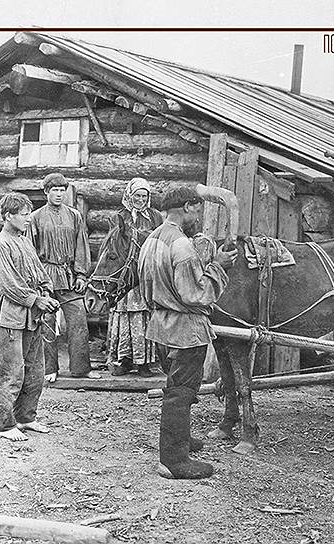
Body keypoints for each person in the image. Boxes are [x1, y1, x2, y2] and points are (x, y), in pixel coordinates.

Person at [138, 185, 237, 480]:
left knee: (175, 386)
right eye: (198, 209)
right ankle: (173, 460)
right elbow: (196, 293)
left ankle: (182, 439)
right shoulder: (182, 245)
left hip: (161, 325)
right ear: (189, 207)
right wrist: (218, 267)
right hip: (186, 329)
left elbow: (148, 286)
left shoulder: (153, 239)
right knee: (181, 392)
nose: (199, 216)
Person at [0, 192, 60, 442]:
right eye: (23, 214)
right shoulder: (1, 245)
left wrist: (47, 290)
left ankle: (26, 418)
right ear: (8, 216)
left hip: (33, 317)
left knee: (35, 371)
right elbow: (9, 285)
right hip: (11, 318)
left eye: (29, 213)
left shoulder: (24, 241)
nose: (28, 218)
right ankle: (4, 424)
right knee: (11, 372)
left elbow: (40, 272)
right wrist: (36, 299)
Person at [27, 173, 98, 381]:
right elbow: (31, 251)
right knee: (47, 323)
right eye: (54, 190)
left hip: (69, 276)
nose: (59, 194)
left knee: (78, 321)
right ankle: (49, 370)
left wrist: (81, 274)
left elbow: (81, 246)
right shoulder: (36, 217)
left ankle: (80, 369)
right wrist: (38, 280)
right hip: (46, 275)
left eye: (62, 190)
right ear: (46, 192)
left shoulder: (74, 215)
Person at [107, 177, 163, 378]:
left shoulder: (155, 217)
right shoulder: (119, 216)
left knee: (144, 315)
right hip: (126, 274)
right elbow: (115, 245)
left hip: (147, 273)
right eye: (136, 195)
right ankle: (123, 360)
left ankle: (145, 363)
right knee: (124, 315)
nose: (140, 199)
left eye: (143, 196)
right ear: (129, 196)